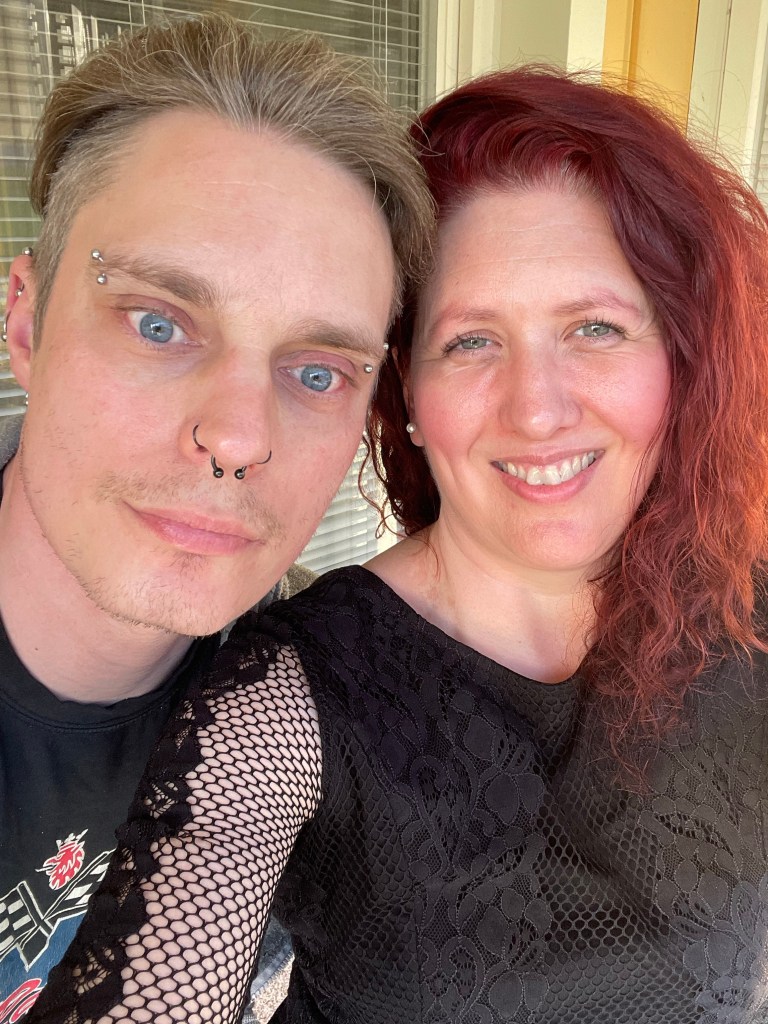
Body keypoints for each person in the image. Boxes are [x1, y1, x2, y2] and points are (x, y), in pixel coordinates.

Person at [25, 66, 768, 1024]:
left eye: (595, 327)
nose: (537, 410)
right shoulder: (293, 695)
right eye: (471, 342)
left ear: (682, 359)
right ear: (407, 393)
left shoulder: (747, 605)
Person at [0, 13, 433, 1022]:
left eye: (317, 372)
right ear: (24, 322)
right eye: (159, 323)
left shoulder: (319, 706)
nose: (238, 437)